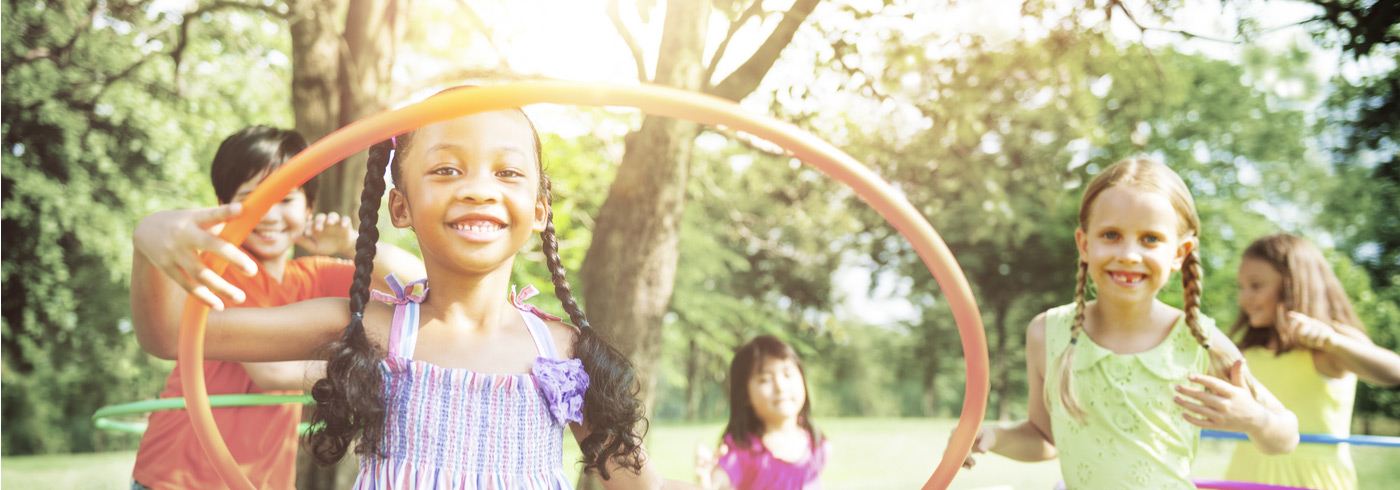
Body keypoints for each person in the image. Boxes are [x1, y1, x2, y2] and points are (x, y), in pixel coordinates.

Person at [131, 95, 695, 488]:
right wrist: (149, 235)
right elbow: (168, 337)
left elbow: (642, 484)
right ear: (398, 206)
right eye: (447, 170)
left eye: (508, 173)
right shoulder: (367, 329)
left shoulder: (564, 352)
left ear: (540, 210)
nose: (478, 189)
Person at [958, 158, 1299, 489]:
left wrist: (1255, 419)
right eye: (1111, 235)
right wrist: (994, 436)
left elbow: (1286, 436)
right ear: (1084, 244)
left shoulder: (1199, 339)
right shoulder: (1047, 333)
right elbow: (1046, 438)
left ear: (1179, 253)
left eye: (1150, 238)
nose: (1129, 254)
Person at [128, 126, 424, 490]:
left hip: (262, 478)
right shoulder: (218, 272)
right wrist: (372, 373)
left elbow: (420, 284)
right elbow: (271, 373)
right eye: (254, 199)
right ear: (225, 207)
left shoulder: (314, 277)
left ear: (309, 206)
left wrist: (350, 243)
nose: (269, 214)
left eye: (285, 199)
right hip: (181, 473)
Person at [1224, 233, 1400, 490]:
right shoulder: (1246, 351)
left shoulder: (1333, 342)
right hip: (1244, 475)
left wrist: (1333, 342)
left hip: (1312, 481)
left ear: (1291, 284)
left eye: (1256, 285)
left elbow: (1394, 372)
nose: (1243, 297)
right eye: (1242, 287)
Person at [694, 335, 829, 490]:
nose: (781, 386)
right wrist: (706, 480)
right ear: (745, 395)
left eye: (788, 374)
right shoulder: (742, 450)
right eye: (765, 379)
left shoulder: (815, 443)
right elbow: (719, 482)